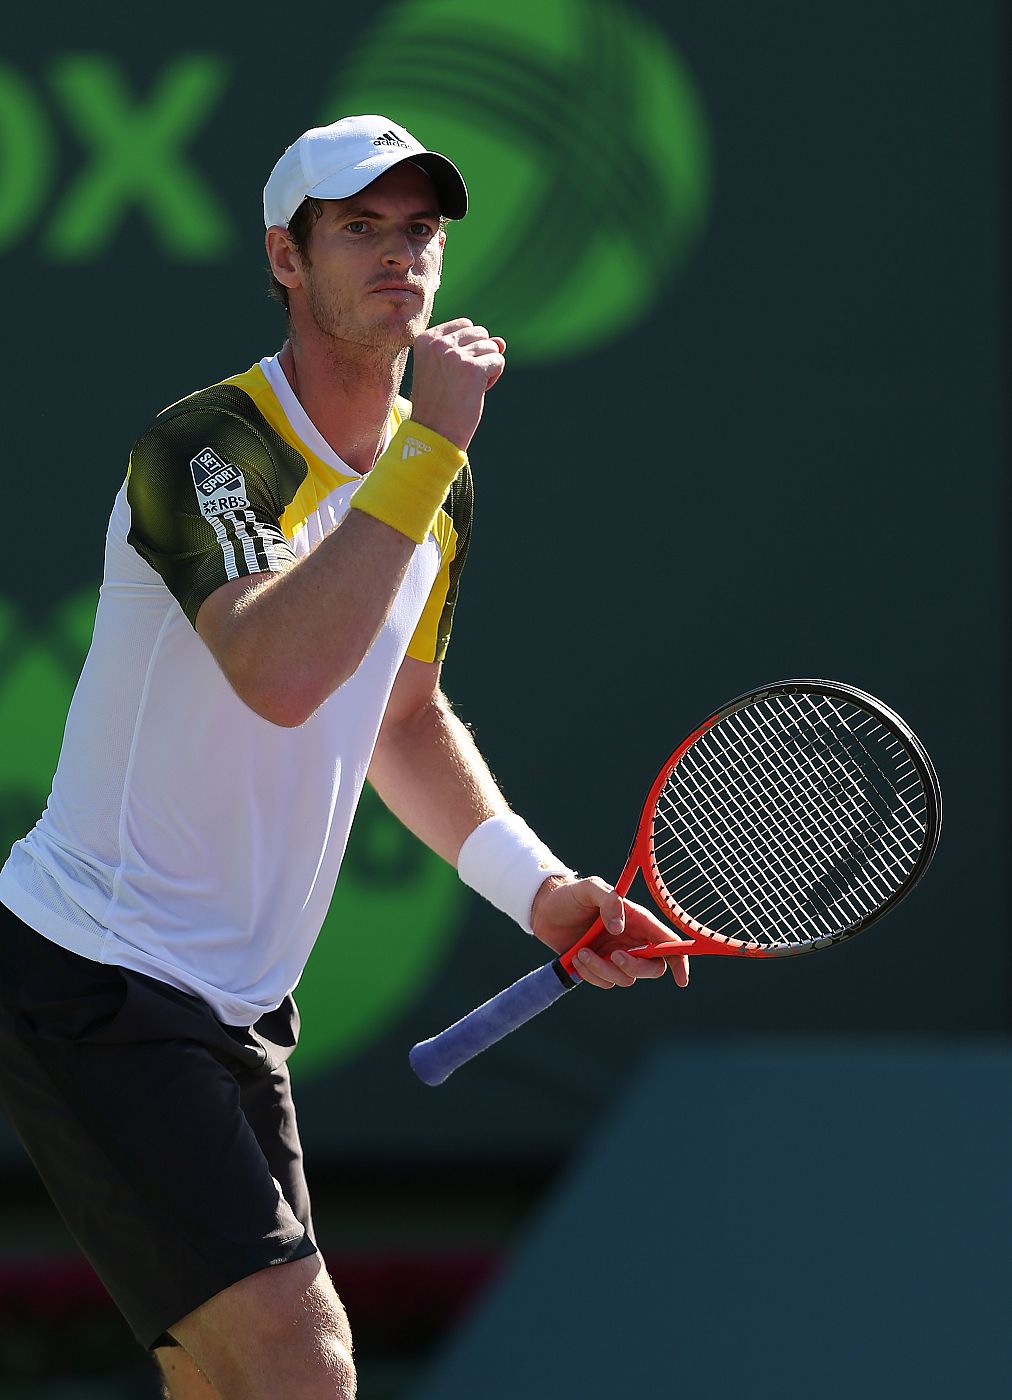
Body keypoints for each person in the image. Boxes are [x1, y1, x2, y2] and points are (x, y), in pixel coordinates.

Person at [0, 114, 689, 1399]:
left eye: (420, 229)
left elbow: (401, 718)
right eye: (359, 229)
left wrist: (544, 894)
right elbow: (279, 672)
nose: (401, 256)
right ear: (284, 257)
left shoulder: (437, 483)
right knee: (304, 1365)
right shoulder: (208, 446)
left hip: (239, 1011)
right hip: (95, 974)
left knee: (226, 1382)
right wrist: (431, 445)